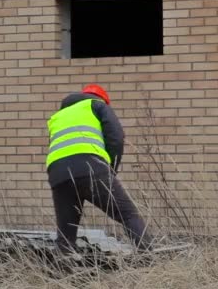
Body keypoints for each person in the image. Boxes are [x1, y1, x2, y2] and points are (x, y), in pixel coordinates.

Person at [46, 84, 152, 254]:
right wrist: (110, 170)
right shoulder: (97, 105)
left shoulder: (58, 116)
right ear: (103, 99)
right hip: (91, 167)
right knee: (128, 214)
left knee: (66, 234)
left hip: (58, 174)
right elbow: (116, 137)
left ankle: (62, 273)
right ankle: (150, 257)